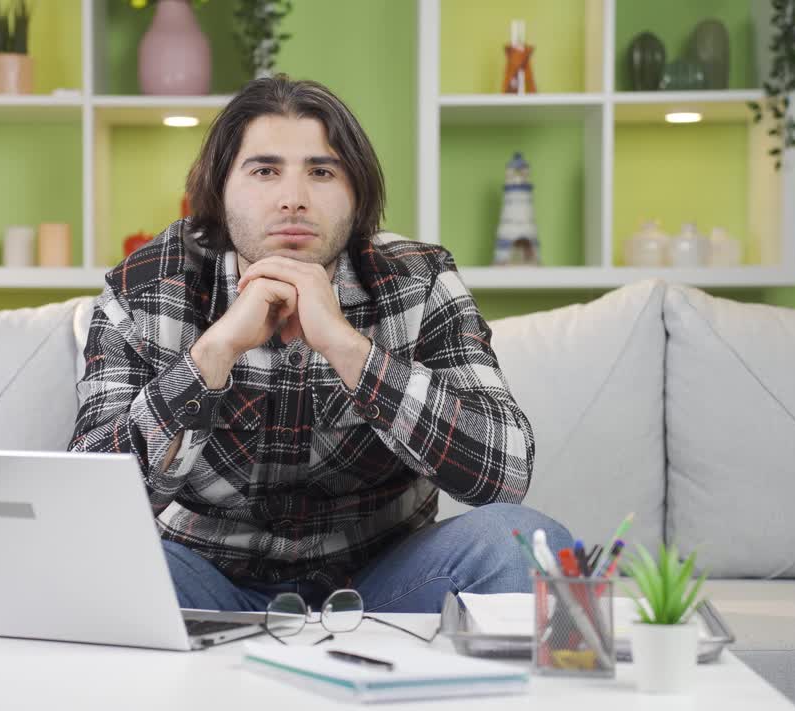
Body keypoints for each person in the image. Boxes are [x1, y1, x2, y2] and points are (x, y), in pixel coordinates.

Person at [70, 75, 571, 615]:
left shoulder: (418, 281)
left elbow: (505, 473)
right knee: (85, 562)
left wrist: (350, 350)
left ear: (357, 196)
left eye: (322, 171)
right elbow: (88, 503)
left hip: (383, 581)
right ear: (217, 193)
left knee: (523, 543)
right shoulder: (146, 287)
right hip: (205, 580)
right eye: (264, 171)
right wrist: (211, 356)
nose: (293, 200)